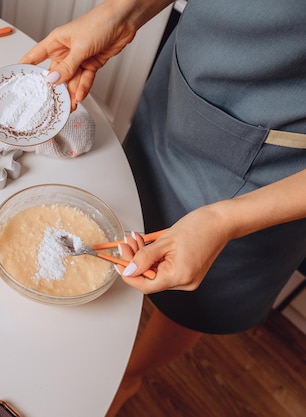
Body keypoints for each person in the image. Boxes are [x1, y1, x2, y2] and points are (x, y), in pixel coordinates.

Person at [20, 0, 306, 415]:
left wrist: (225, 219)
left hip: (272, 172)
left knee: (197, 295)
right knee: (132, 214)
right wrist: (122, 14)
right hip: (185, 86)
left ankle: (131, 376)